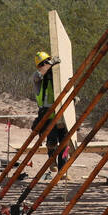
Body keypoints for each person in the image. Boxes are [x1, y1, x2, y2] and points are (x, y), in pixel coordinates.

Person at [32, 50, 70, 180]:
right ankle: (52, 162)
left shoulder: (56, 77)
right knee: (52, 142)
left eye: (47, 61)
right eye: (43, 63)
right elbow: (39, 74)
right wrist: (51, 63)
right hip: (48, 115)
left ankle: (63, 171)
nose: (46, 64)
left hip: (62, 113)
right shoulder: (38, 77)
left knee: (65, 143)